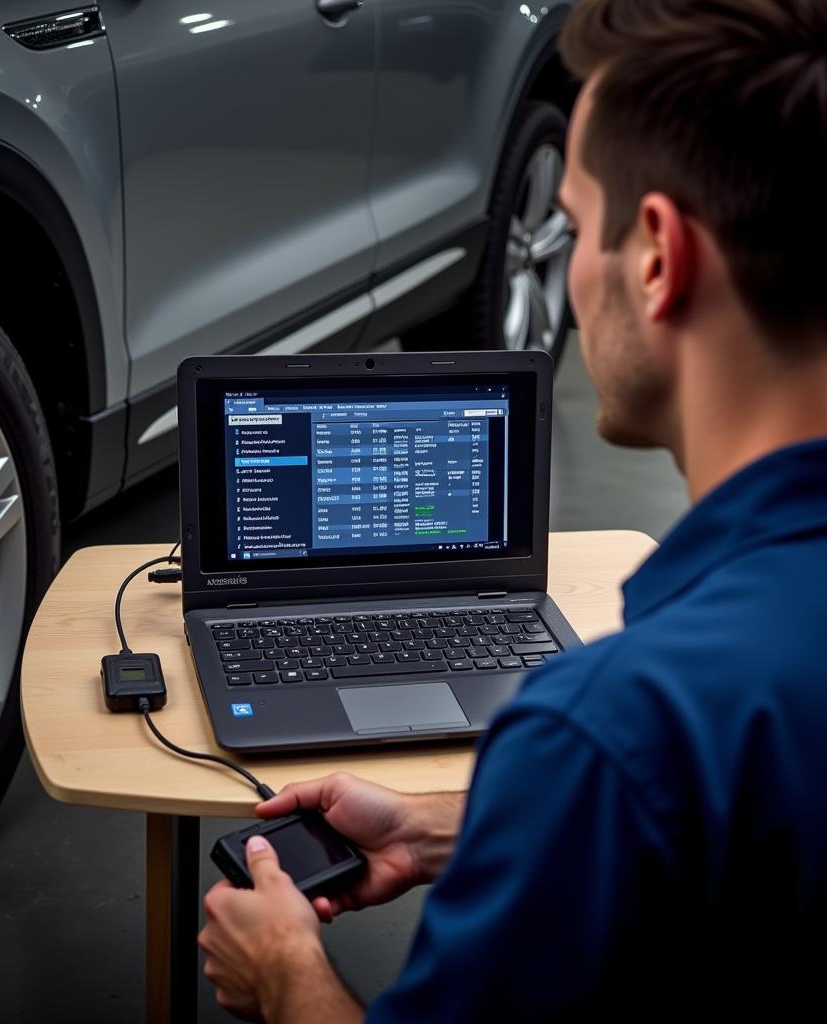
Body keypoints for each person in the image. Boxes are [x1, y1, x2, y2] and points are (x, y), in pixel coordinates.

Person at [198, 0, 827, 1018]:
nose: (566, 263)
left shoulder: (608, 728)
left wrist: (285, 975)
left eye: (575, 225)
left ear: (658, 257)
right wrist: (457, 827)